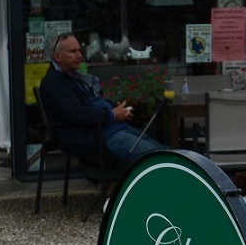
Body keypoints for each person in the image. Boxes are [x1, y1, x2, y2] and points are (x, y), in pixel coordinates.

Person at [40, 32, 165, 163]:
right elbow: (76, 113)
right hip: (95, 137)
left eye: (79, 50)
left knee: (163, 151)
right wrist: (112, 114)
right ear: (57, 56)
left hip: (109, 129)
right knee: (157, 158)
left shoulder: (73, 77)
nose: (79, 55)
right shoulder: (54, 83)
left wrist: (115, 108)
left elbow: (94, 101)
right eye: (73, 51)